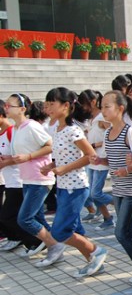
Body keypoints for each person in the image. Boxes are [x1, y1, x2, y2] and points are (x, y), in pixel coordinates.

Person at [37, 87, 108, 275]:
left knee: (60, 232)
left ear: (66, 105)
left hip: (75, 187)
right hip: (63, 186)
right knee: (75, 229)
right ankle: (93, 261)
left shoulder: (72, 130)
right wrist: (52, 166)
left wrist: (64, 169)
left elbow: (90, 155)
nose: (49, 107)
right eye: (48, 103)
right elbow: (62, 156)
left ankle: (97, 251)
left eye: (53, 103)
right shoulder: (57, 129)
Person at [91, 91, 132, 286]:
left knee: (121, 233)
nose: (103, 110)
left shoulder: (130, 132)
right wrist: (100, 160)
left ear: (120, 109)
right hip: (118, 189)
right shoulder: (107, 132)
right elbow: (110, 160)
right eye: (102, 106)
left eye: (107, 106)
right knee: (127, 232)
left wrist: (126, 169)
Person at [3, 94, 59, 258]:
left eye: (9, 105)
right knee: (37, 217)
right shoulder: (16, 128)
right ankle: (55, 246)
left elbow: (50, 146)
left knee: (25, 219)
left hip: (40, 178)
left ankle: (55, 246)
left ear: (22, 109)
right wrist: (9, 158)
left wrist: (28, 157)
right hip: (26, 179)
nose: (6, 107)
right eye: (6, 105)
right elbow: (23, 152)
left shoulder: (32, 126)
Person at [78, 90, 114, 229]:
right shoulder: (92, 119)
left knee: (96, 193)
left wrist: (95, 145)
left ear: (92, 102)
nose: (82, 107)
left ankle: (121, 205)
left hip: (101, 159)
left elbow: (112, 135)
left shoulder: (101, 118)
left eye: (84, 104)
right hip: (93, 159)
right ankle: (108, 218)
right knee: (93, 193)